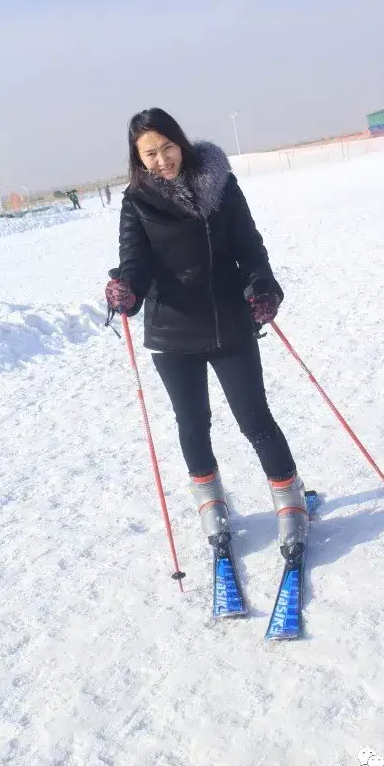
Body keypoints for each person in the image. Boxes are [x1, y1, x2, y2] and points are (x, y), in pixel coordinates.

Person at [104, 107, 308, 560]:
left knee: (255, 420)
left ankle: (290, 501)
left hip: (229, 321)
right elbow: (135, 262)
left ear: (182, 141)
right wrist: (126, 290)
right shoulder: (137, 202)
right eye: (150, 154)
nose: (162, 160)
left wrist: (262, 286)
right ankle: (211, 505)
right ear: (139, 159)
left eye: (168, 147)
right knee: (193, 424)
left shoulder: (221, 185)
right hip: (172, 333)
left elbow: (250, 246)